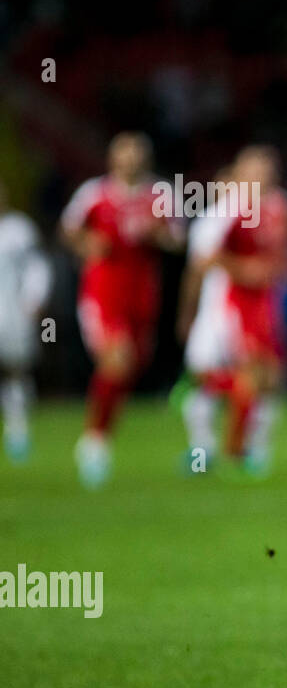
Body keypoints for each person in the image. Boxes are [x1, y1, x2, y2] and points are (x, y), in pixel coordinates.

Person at [60, 132, 179, 488]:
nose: (131, 161)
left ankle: (99, 436)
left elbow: (177, 239)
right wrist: (88, 243)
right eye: (125, 155)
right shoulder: (94, 194)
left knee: (131, 366)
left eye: (137, 155)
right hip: (103, 293)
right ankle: (94, 442)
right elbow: (68, 231)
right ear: (113, 159)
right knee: (118, 359)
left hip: (142, 296)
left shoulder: (159, 194)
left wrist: (155, 235)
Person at [175, 147, 287, 476]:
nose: (262, 175)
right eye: (255, 169)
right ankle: (206, 451)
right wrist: (245, 271)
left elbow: (280, 250)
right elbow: (202, 263)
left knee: (268, 377)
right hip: (224, 306)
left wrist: (279, 268)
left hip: (263, 303)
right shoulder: (226, 212)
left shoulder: (280, 206)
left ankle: (250, 450)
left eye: (267, 169)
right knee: (217, 376)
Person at [0, 179, 53, 461]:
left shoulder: (20, 230)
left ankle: (18, 430)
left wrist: (35, 298)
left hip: (11, 312)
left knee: (15, 370)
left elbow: (38, 267)